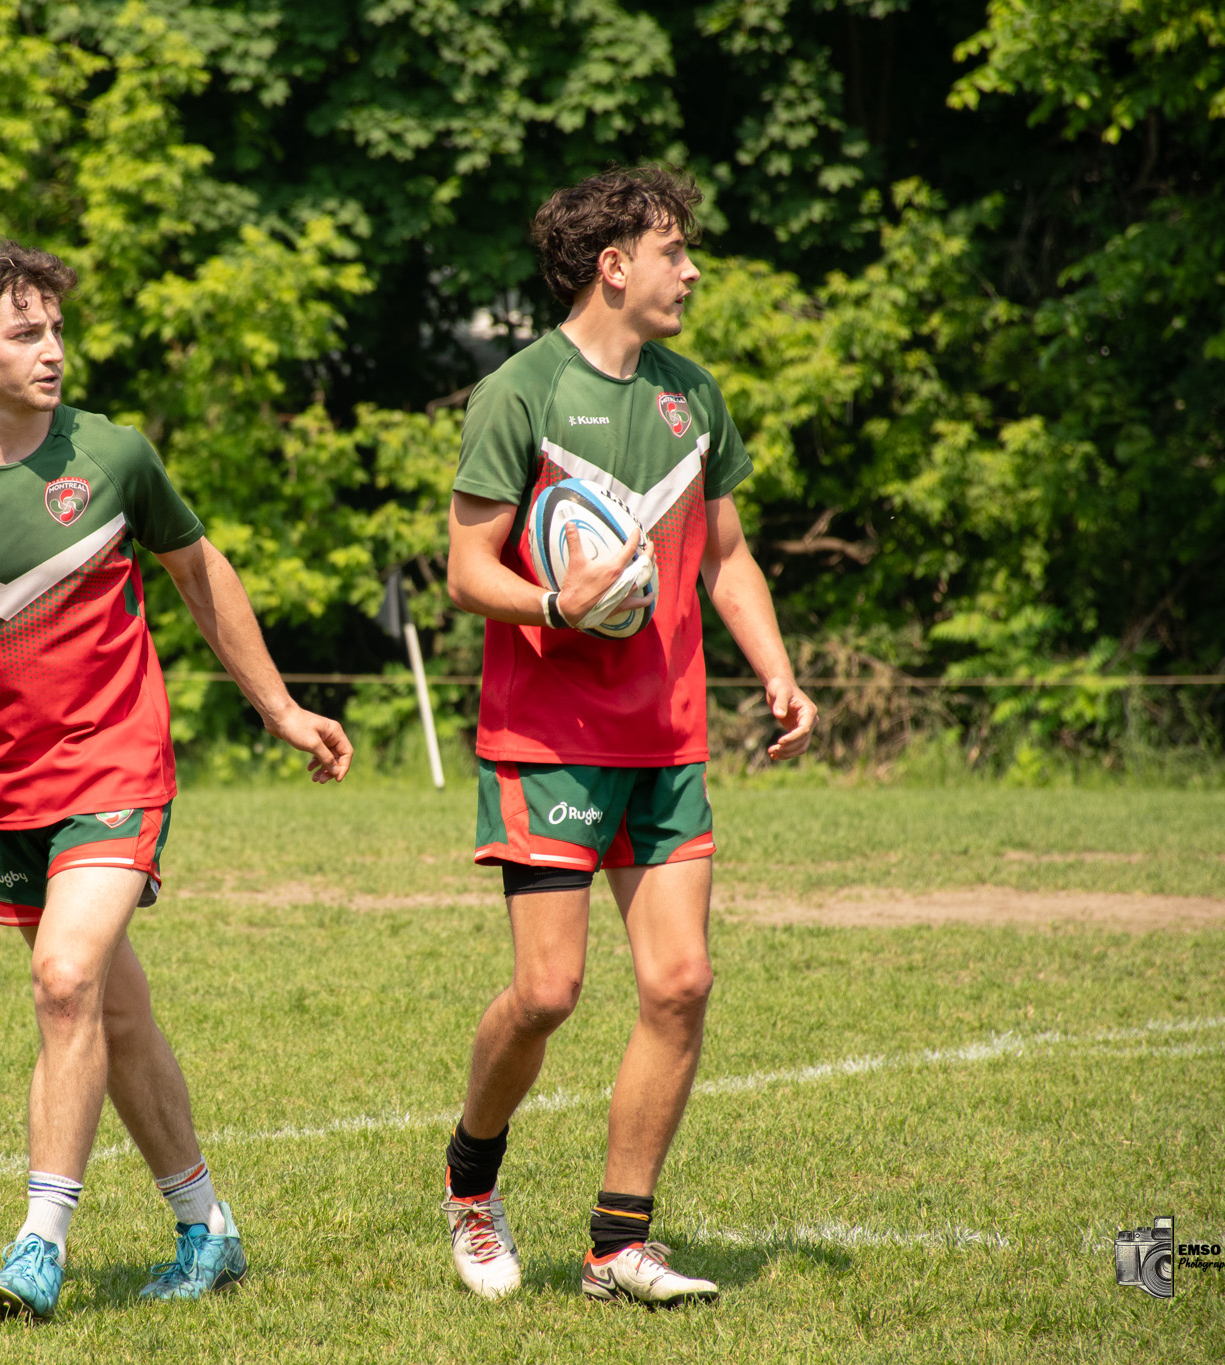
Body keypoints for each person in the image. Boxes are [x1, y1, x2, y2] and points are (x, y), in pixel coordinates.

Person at [0, 241, 353, 1321]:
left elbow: (200, 573)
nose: (52, 350)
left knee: (65, 978)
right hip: (0, 786)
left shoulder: (112, 457)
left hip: (116, 761)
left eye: (57, 328)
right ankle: (206, 1229)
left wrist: (279, 708)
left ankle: (37, 1242)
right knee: (109, 1009)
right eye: (26, 333)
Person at [438, 167, 817, 1306]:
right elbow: (465, 572)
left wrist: (776, 670)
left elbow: (727, 554)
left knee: (681, 983)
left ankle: (617, 1246)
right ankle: (470, 1180)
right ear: (613, 265)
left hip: (665, 738)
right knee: (547, 993)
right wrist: (556, 604)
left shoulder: (690, 397)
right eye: (672, 250)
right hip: (546, 738)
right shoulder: (518, 393)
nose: (689, 270)